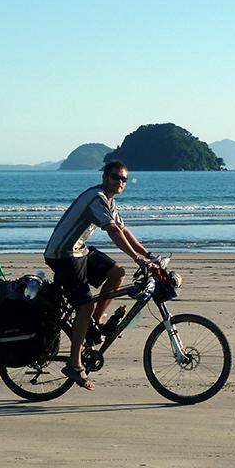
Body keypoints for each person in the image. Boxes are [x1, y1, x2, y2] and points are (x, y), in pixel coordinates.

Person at [43, 160, 153, 391]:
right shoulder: (97, 198)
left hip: (79, 250)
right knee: (84, 306)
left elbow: (123, 229)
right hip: (62, 254)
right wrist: (136, 258)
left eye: (124, 179)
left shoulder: (109, 201)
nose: (120, 182)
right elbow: (112, 230)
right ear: (105, 177)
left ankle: (96, 322)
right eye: (115, 177)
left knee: (117, 273)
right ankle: (74, 364)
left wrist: (149, 255)